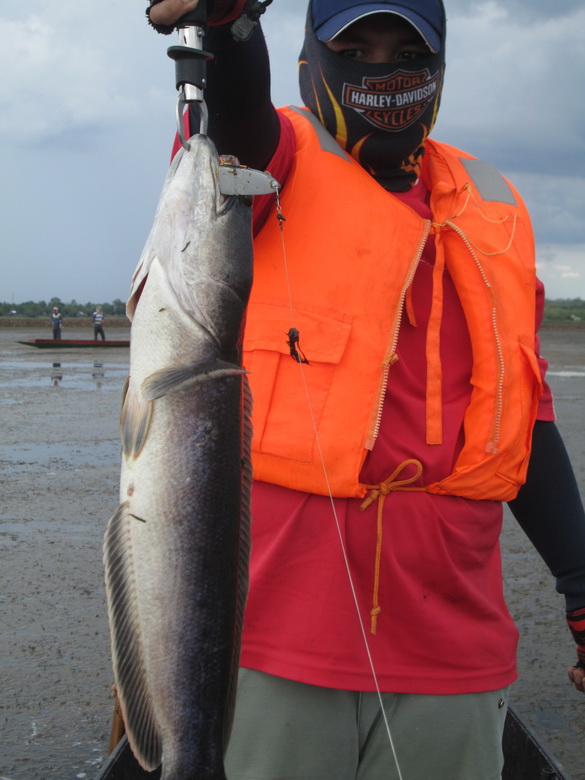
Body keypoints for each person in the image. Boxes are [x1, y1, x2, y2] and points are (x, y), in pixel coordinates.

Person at [146, 1, 585, 778]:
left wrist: (580, 581)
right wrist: (225, 30)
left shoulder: (493, 207)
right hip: (271, 645)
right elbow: (233, 117)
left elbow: (523, 413)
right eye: (356, 46)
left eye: (404, 51)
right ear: (313, 57)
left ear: (440, 65)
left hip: (456, 647)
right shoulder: (269, 164)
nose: (381, 70)